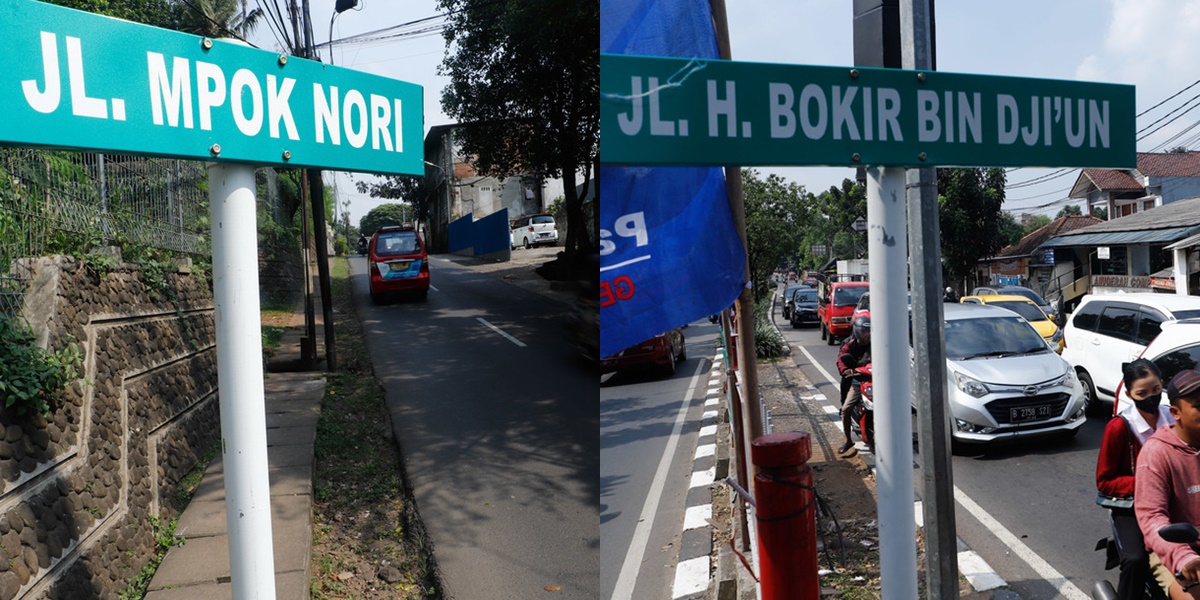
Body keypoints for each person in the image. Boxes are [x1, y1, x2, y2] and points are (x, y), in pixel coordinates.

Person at [1097, 359, 1172, 600]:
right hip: (1132, 507)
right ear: (1129, 394)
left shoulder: (1173, 417)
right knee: (1136, 561)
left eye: (1156, 390)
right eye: (1142, 393)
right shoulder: (1119, 427)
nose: (1151, 397)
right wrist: (1148, 484)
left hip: (1175, 501)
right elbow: (1105, 481)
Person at [1136, 369, 1200, 599]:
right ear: (1176, 412)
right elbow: (1153, 518)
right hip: (1175, 552)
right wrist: (1185, 557)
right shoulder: (1156, 453)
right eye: (1199, 406)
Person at [835, 313, 871, 455]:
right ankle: (848, 440)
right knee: (846, 409)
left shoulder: (877, 343)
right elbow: (841, 360)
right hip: (857, 382)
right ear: (857, 331)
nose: (866, 334)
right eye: (863, 331)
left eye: (868, 331)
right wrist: (846, 370)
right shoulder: (848, 344)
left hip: (875, 380)